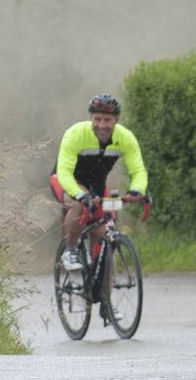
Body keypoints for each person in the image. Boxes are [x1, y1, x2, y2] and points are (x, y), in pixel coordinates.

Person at [51, 94, 148, 273]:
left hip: (97, 185)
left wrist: (137, 190)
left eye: (107, 120)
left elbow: (138, 170)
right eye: (97, 119)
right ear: (91, 118)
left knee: (102, 231)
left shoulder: (126, 138)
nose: (102, 125)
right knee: (79, 204)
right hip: (67, 181)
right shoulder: (76, 133)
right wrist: (79, 194)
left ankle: (101, 289)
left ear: (116, 120)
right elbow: (64, 172)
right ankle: (71, 250)